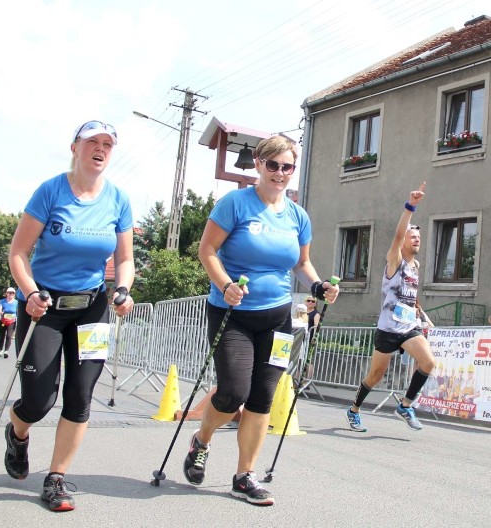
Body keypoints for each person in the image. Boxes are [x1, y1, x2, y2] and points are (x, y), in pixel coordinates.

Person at [185, 135, 339, 507]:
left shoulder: (298, 216)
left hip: (277, 319)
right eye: (274, 165)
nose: (280, 173)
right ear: (258, 164)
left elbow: (301, 264)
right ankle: (202, 439)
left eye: (288, 167)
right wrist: (224, 285)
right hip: (233, 314)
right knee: (233, 392)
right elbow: (207, 250)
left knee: (262, 399)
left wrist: (318, 286)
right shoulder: (235, 204)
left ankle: (244, 476)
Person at [5, 119, 135, 512]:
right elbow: (18, 253)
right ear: (75, 147)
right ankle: (18, 432)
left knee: (80, 396)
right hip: (43, 306)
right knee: (39, 401)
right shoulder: (50, 191)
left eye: (107, 144)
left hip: (92, 308)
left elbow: (125, 258)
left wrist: (124, 290)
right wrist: (29, 293)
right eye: (92, 142)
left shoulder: (118, 199)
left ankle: (56, 478)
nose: (100, 149)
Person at [345, 182, 435, 433]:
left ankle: (405, 405)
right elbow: (397, 235)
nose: (417, 240)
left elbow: (410, 296)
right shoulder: (395, 259)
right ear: (404, 241)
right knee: (375, 376)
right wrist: (411, 207)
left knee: (428, 362)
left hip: (408, 327)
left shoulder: (416, 267)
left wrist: (421, 314)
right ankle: (354, 410)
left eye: (419, 237)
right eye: (412, 236)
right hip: (387, 329)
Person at [0, 287, 19, 358]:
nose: (11, 294)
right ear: (6, 293)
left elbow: (18, 312)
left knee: (9, 336)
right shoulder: (3, 301)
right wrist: (1, 312)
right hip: (3, 321)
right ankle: (0, 350)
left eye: (13, 293)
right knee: (2, 336)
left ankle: (6, 351)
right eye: (10, 293)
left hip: (12, 321)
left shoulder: (16, 302)